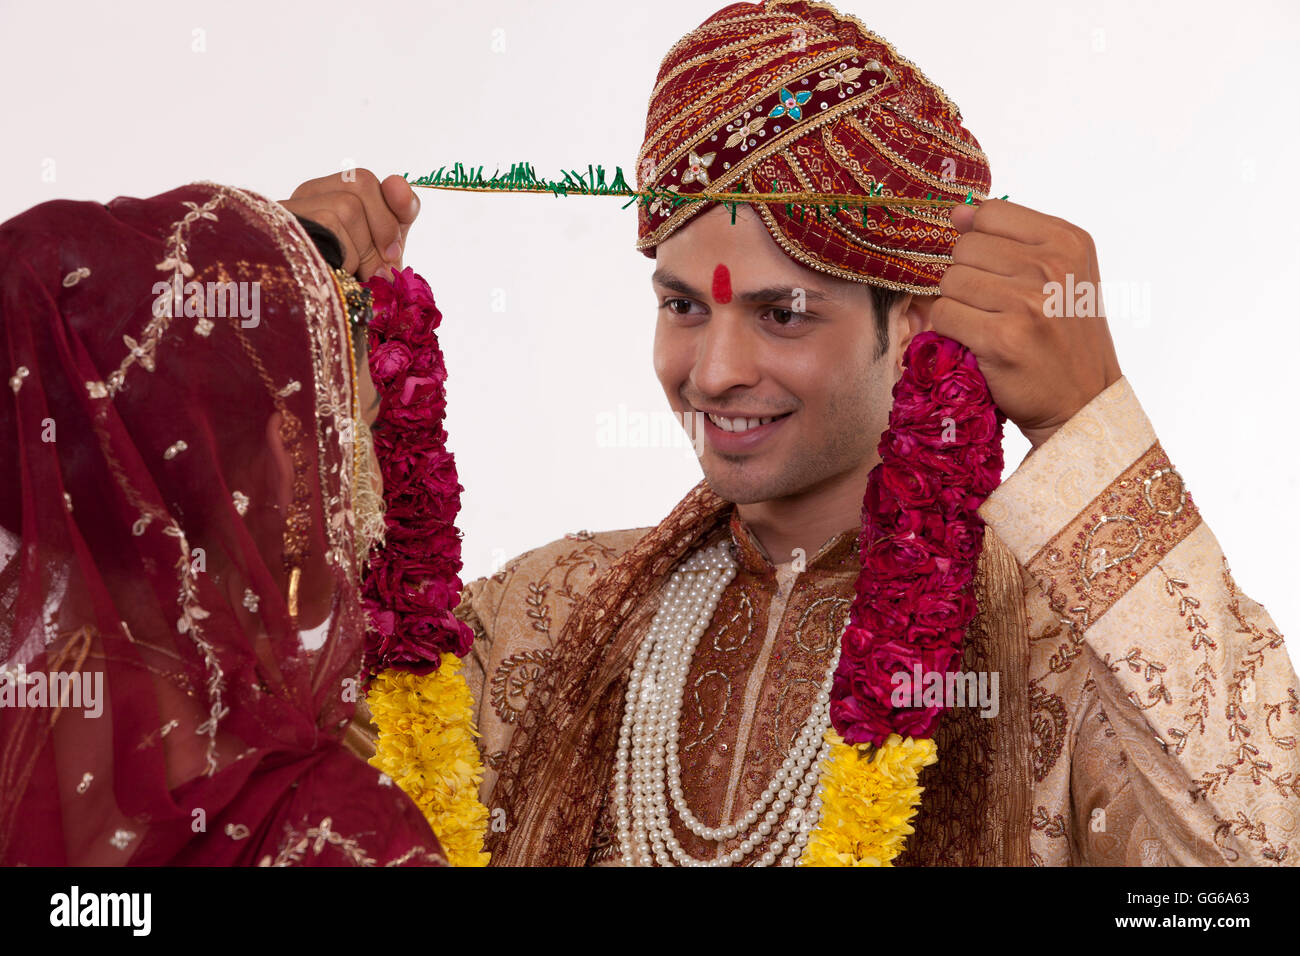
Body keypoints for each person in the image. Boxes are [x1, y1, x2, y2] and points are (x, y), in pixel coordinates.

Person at [291, 0, 1300, 866]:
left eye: (782, 314)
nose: (714, 370)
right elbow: (255, 774)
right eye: (684, 305)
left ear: (913, 321)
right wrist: (291, 367)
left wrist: (1091, 430)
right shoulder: (544, 618)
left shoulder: (1058, 653)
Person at [0, 180, 445, 865]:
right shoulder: (337, 828)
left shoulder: (26, 750)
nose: (376, 480)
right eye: (361, 428)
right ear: (291, 456)